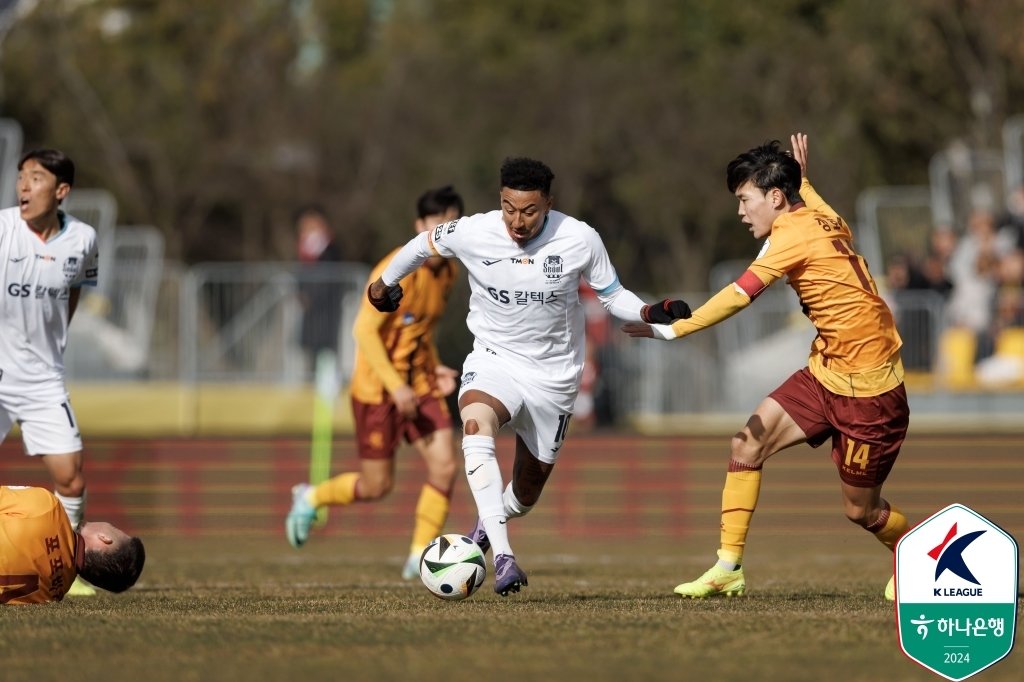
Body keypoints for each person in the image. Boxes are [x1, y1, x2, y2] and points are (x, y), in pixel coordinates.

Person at [367, 158, 691, 596]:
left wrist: (652, 311)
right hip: (494, 360)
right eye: (509, 208)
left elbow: (613, 296)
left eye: (529, 211)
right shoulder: (473, 231)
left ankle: (485, 528)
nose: (517, 221)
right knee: (475, 424)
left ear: (548, 205)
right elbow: (422, 245)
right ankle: (503, 559)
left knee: (525, 493)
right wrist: (382, 285)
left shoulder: (579, 238)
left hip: (554, 378)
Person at [624, 134, 910, 600]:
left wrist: (678, 330)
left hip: (870, 392)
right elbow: (808, 199)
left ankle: (920, 554)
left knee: (860, 511)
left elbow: (739, 294)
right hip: (826, 371)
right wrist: (803, 176)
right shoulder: (816, 214)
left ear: (775, 197)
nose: (741, 211)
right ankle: (727, 567)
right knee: (747, 442)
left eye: (745, 199)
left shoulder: (791, 236)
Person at [286, 186, 465, 580]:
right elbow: (364, 331)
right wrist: (395, 386)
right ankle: (311, 497)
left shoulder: (450, 271)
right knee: (376, 485)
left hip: (417, 382)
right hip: (376, 389)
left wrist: (433, 367)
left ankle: (420, 556)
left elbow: (421, 331)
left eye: (453, 224)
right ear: (420, 227)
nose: (445, 232)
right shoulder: (398, 269)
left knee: (446, 465)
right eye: (438, 224)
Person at [1, 149, 99, 596]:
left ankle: (67, 570)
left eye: (35, 178)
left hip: (42, 379)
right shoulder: (3, 229)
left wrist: (54, 338)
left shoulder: (84, 239)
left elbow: (76, 290)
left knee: (70, 476)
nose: (23, 186)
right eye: (21, 177)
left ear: (61, 191)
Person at [0, 485, 145, 604]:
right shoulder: (51, 595)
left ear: (105, 538)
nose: (109, 524)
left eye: (115, 529)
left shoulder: (48, 508)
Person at [295, 204, 344, 372]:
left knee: (326, 352)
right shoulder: (305, 250)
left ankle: (326, 391)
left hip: (326, 308)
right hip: (311, 310)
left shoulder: (330, 249)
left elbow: (330, 276)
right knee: (311, 351)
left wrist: (313, 297)